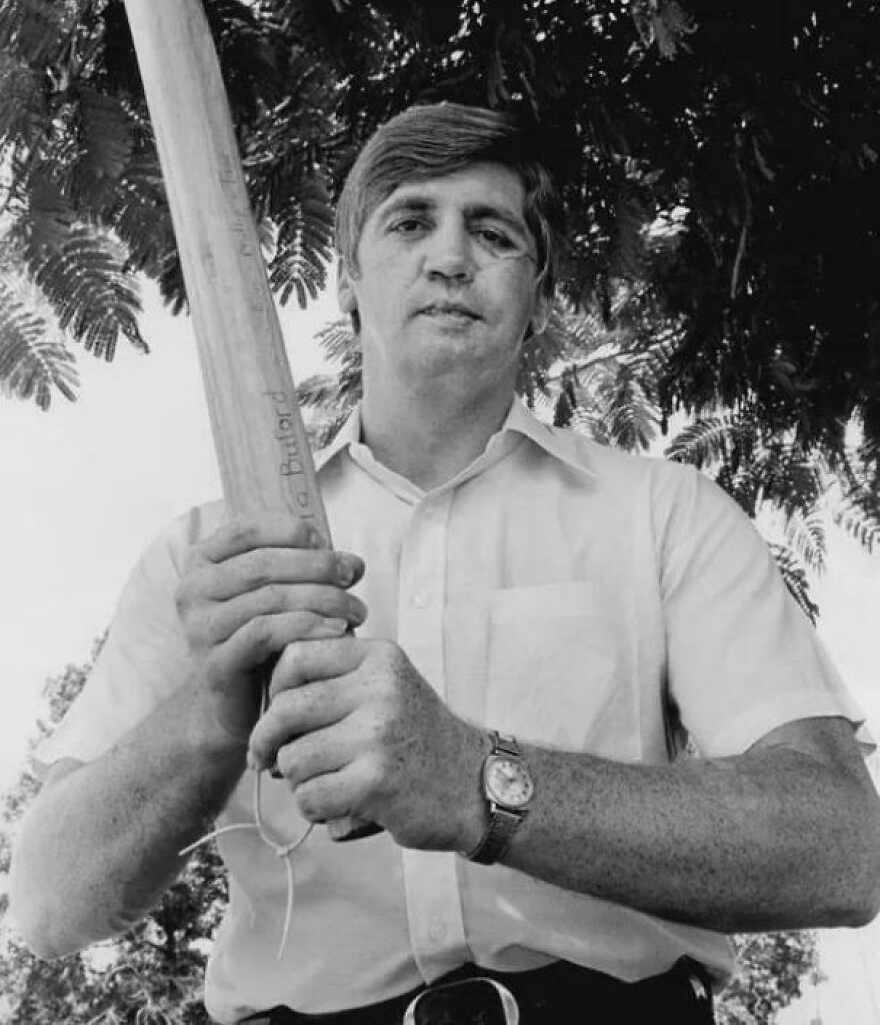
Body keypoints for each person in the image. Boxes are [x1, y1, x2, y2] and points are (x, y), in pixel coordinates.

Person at [9, 103, 880, 1025]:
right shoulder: (212, 558)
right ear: (347, 285)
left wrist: (474, 780)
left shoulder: (665, 516)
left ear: (539, 298)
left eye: (493, 232)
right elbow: (48, 904)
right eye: (411, 221)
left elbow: (840, 848)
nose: (451, 256)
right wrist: (214, 712)